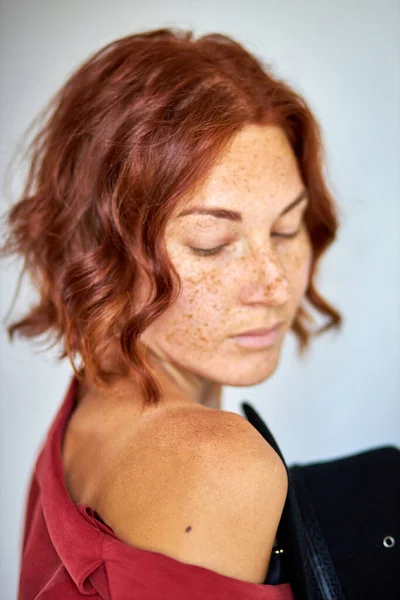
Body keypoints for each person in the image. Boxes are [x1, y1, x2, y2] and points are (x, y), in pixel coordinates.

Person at [1, 28, 344, 599]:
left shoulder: (94, 401)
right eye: (211, 242)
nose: (275, 282)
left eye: (287, 229)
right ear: (98, 249)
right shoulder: (215, 465)